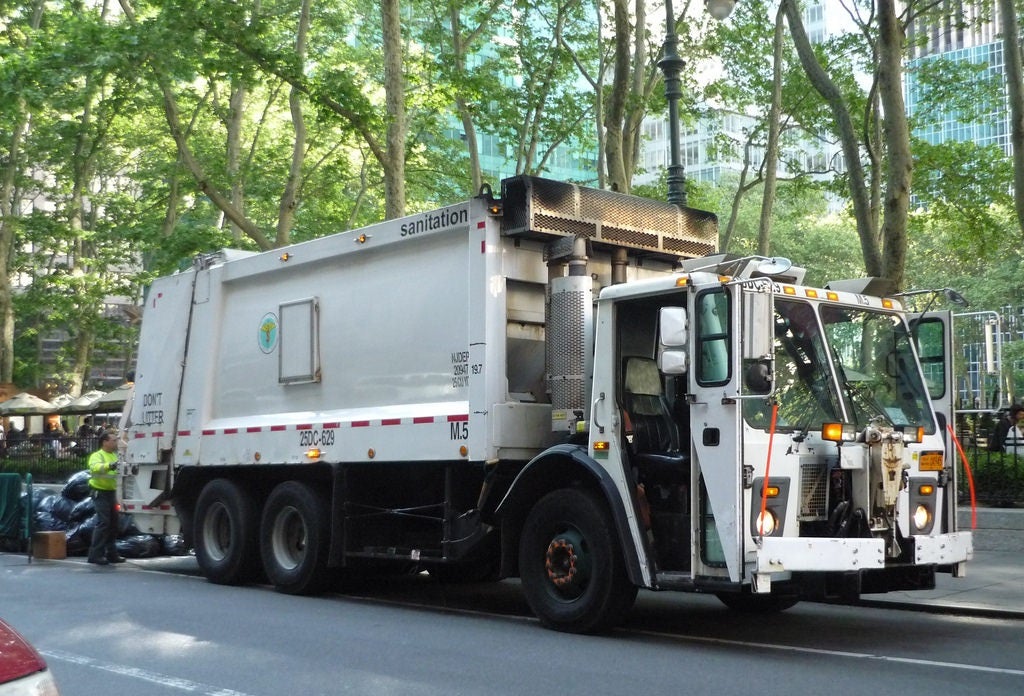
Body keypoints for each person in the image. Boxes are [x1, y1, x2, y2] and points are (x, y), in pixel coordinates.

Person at [86, 431, 124, 565]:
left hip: (112, 492)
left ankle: (111, 554)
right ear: (105, 442)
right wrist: (110, 466)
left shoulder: (115, 455)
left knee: (113, 524)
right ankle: (95, 555)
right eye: (113, 440)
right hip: (100, 492)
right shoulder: (97, 455)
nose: (116, 442)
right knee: (104, 522)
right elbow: (95, 468)